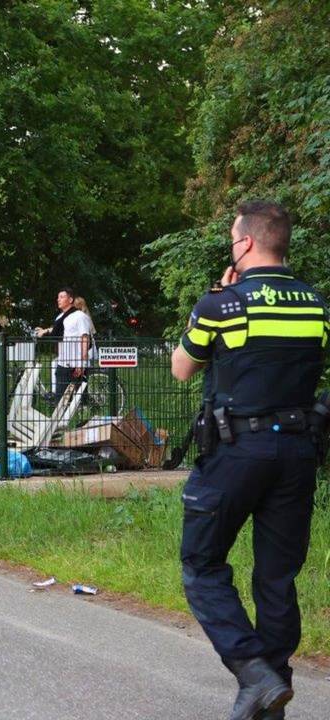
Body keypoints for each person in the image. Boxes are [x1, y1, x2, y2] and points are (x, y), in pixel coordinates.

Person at [170, 201, 327, 720]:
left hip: (237, 451)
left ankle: (252, 671)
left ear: (246, 244)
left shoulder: (223, 304)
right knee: (276, 578)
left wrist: (215, 296)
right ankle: (271, 696)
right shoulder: (316, 305)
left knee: (201, 562)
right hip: (299, 452)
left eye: (233, 239)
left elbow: (181, 369)